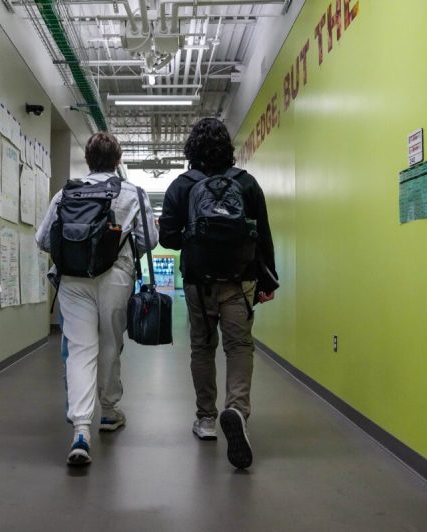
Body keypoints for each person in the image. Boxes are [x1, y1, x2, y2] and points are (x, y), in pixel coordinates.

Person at [158, 118, 277, 469]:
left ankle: (207, 419)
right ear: (227, 146)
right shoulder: (247, 183)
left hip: (198, 281)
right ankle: (237, 410)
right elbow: (263, 235)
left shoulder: (182, 186)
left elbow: (168, 239)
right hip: (241, 281)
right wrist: (268, 282)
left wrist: (192, 235)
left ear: (191, 148)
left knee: (202, 347)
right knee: (239, 346)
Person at [36, 132, 158, 466]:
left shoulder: (66, 193)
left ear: (88, 160)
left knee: (79, 350)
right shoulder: (133, 192)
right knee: (110, 345)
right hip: (116, 277)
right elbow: (149, 240)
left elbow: (44, 239)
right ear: (118, 161)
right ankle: (108, 411)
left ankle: (80, 431)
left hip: (73, 280)